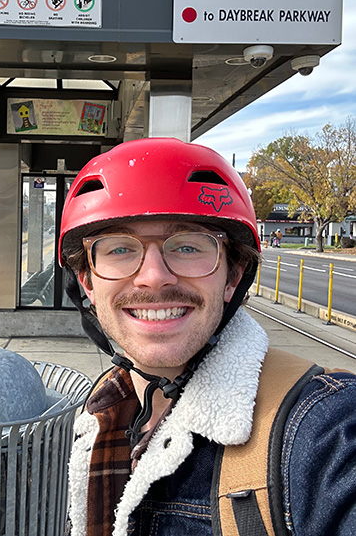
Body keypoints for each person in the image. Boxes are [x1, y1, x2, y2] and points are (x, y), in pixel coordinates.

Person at [59, 138, 356, 536]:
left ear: (233, 276)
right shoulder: (103, 409)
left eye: (186, 246)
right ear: (87, 283)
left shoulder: (325, 429)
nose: (153, 276)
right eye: (119, 249)